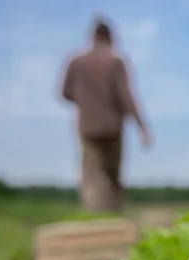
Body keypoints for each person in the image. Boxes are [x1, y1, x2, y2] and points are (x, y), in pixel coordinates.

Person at [60, 18, 152, 213]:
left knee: (90, 175)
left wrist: (85, 102)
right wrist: (142, 128)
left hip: (87, 127)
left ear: (92, 37)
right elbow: (127, 97)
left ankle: (92, 216)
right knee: (112, 176)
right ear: (110, 38)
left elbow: (64, 92)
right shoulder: (115, 62)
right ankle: (113, 215)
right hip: (112, 127)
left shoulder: (76, 61)